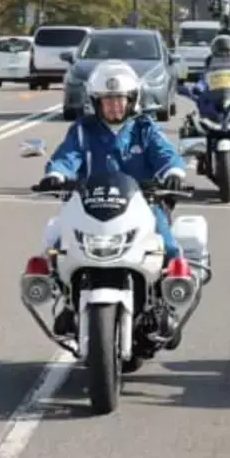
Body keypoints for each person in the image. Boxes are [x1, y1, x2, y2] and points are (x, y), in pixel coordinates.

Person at [36, 60, 188, 344]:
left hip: (143, 205)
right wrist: (57, 174)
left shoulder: (144, 128)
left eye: (120, 100)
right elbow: (68, 156)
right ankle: (68, 304)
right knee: (56, 249)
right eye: (108, 101)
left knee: (167, 246)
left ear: (132, 101)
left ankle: (167, 303)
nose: (115, 106)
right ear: (96, 102)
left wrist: (173, 173)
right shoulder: (83, 130)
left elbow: (165, 153)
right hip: (88, 205)